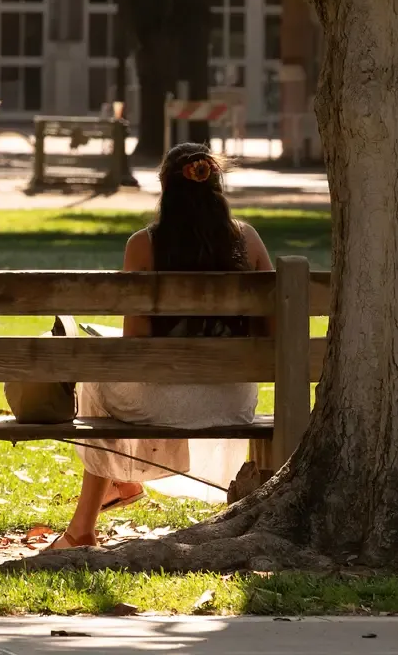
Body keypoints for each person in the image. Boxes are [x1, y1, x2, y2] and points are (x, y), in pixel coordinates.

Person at [49, 142, 273, 549]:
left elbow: (135, 345)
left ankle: (86, 524)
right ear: (216, 184)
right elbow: (271, 330)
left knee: (96, 379)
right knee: (143, 380)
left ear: (165, 189)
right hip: (233, 399)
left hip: (163, 400)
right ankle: (119, 486)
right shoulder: (248, 240)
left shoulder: (144, 245)